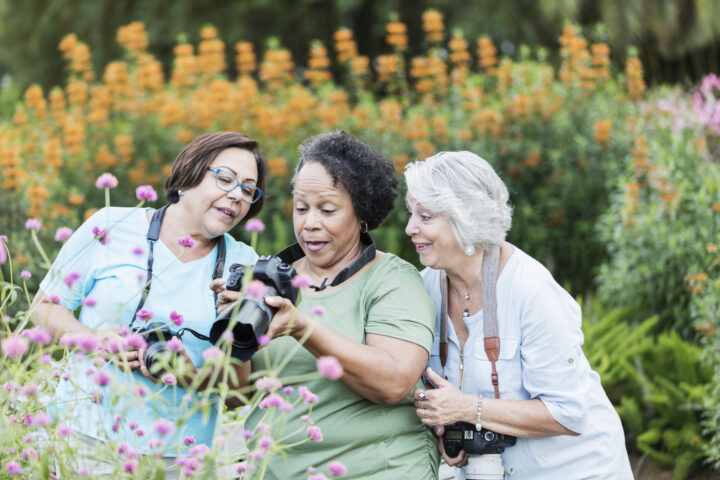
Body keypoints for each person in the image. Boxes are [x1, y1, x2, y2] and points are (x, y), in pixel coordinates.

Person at [31, 131, 265, 475]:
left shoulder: (244, 264)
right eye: (225, 179)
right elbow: (43, 307)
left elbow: (239, 393)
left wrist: (193, 376)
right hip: (82, 439)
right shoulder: (111, 225)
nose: (236, 196)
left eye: (247, 190)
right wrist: (92, 339)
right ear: (188, 175)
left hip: (182, 460)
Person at [214, 131, 439, 479]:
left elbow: (394, 383)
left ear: (362, 213)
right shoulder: (266, 279)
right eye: (301, 208)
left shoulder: (392, 279)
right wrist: (232, 330)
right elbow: (237, 396)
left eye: (328, 209)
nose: (310, 223)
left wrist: (303, 329)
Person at [404, 151, 633, 479]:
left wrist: (468, 408)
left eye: (425, 217)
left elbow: (568, 413)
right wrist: (448, 431)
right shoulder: (425, 287)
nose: (410, 227)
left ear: (465, 219)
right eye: (411, 213)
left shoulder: (530, 289)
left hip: (577, 469)